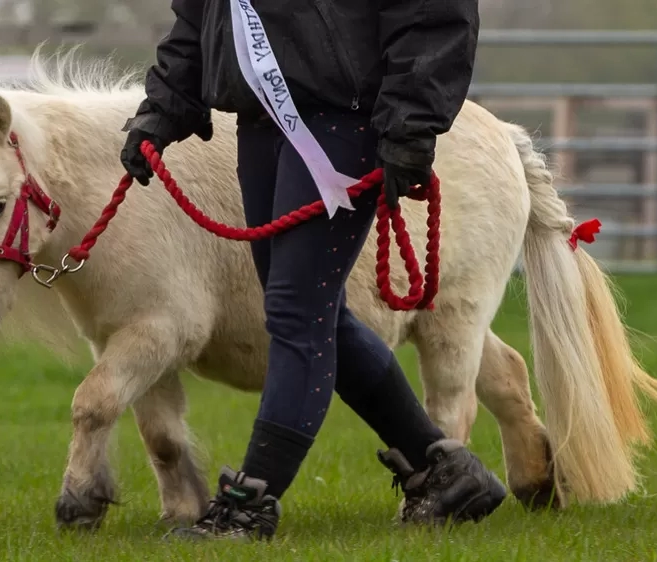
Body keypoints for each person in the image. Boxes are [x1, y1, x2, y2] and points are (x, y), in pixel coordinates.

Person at [119, 0, 506, 541]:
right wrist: (161, 110)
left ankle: (251, 502)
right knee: (318, 312)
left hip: (341, 121)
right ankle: (444, 471)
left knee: (296, 310)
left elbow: (432, 14)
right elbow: (200, 18)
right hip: (260, 122)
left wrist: (410, 127)